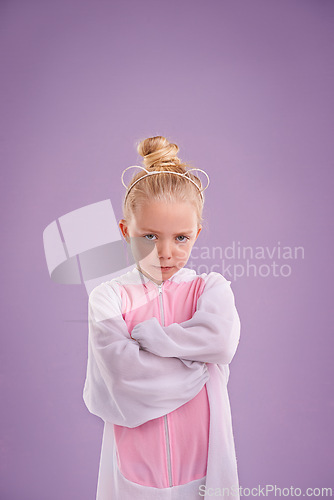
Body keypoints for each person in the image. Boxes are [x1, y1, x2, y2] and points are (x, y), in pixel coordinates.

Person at [82, 135, 241, 500]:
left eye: (181, 238)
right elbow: (124, 377)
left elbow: (219, 341)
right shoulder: (110, 298)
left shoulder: (210, 290)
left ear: (197, 234)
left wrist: (152, 340)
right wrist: (197, 366)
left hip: (203, 460)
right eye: (149, 236)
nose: (165, 253)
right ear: (126, 231)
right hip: (136, 462)